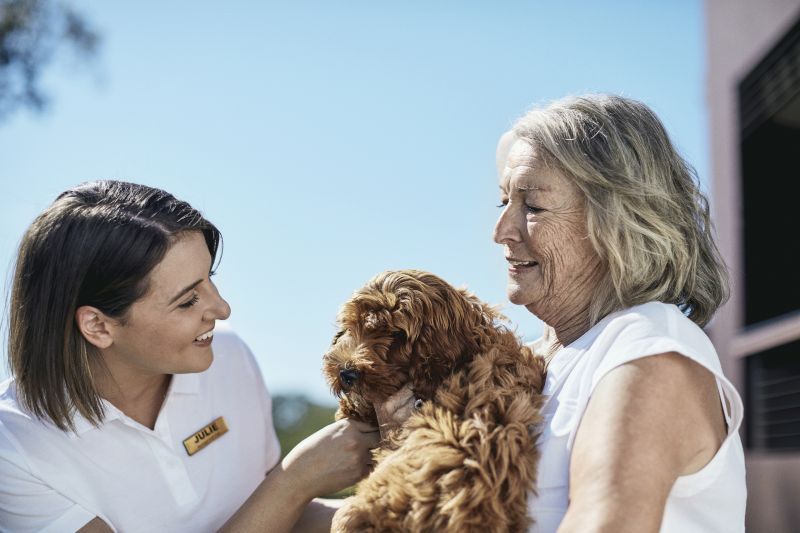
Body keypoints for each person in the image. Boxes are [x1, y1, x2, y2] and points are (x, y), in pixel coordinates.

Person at [0, 180, 379, 532]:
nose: (223, 308)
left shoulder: (227, 355)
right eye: (187, 300)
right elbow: (280, 499)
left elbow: (272, 518)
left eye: (210, 279)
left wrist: (399, 512)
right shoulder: (14, 449)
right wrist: (296, 481)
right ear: (98, 326)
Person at [492, 94, 746, 532]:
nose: (501, 232)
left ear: (618, 220)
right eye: (503, 203)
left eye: (532, 206)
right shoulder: (527, 362)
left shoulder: (650, 354)